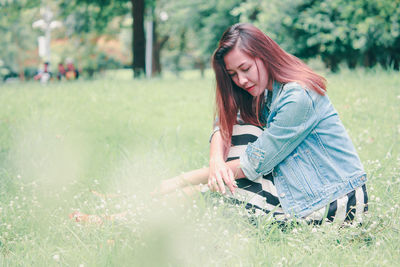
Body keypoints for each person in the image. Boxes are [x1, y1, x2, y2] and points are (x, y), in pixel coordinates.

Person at [71, 23, 368, 225]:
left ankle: (116, 219)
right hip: (302, 185)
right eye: (233, 75)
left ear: (264, 55)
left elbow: (253, 165)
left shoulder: (297, 97)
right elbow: (225, 119)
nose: (241, 80)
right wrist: (215, 160)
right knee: (234, 144)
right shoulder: (266, 90)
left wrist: (186, 178)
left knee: (209, 197)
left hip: (332, 201)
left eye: (245, 69)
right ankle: (130, 202)